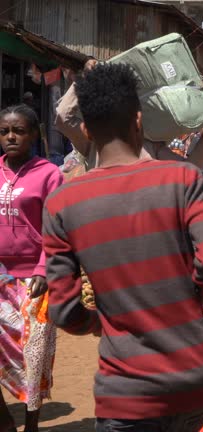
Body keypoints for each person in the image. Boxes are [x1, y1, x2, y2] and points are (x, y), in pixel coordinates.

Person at [42, 63, 203, 431]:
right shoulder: (184, 178)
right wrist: (185, 301)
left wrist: (99, 322)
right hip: (198, 378)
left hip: (128, 393)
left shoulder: (62, 204)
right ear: (139, 120)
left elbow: (63, 312)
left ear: (85, 129)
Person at [0, 104, 63, 432]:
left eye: (19, 130)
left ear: (34, 134)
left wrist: (42, 270)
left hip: (36, 282)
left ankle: (33, 424)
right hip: (0, 278)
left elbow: (56, 229)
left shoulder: (50, 174)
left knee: (33, 356)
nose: (11, 137)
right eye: (4, 131)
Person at [55, 58, 203, 171]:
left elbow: (189, 170)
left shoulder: (150, 145)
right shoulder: (94, 143)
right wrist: (85, 77)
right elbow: (63, 116)